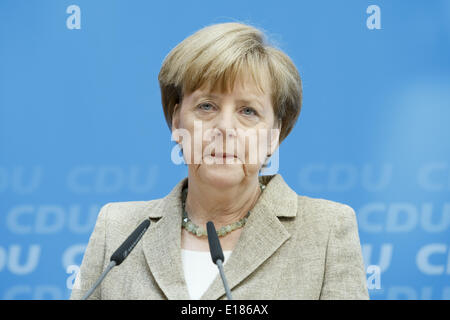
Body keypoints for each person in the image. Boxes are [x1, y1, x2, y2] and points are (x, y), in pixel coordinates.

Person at [70, 22, 369, 300]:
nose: (225, 127)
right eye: (207, 106)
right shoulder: (117, 229)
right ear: (177, 122)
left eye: (248, 111)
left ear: (273, 137)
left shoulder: (327, 230)